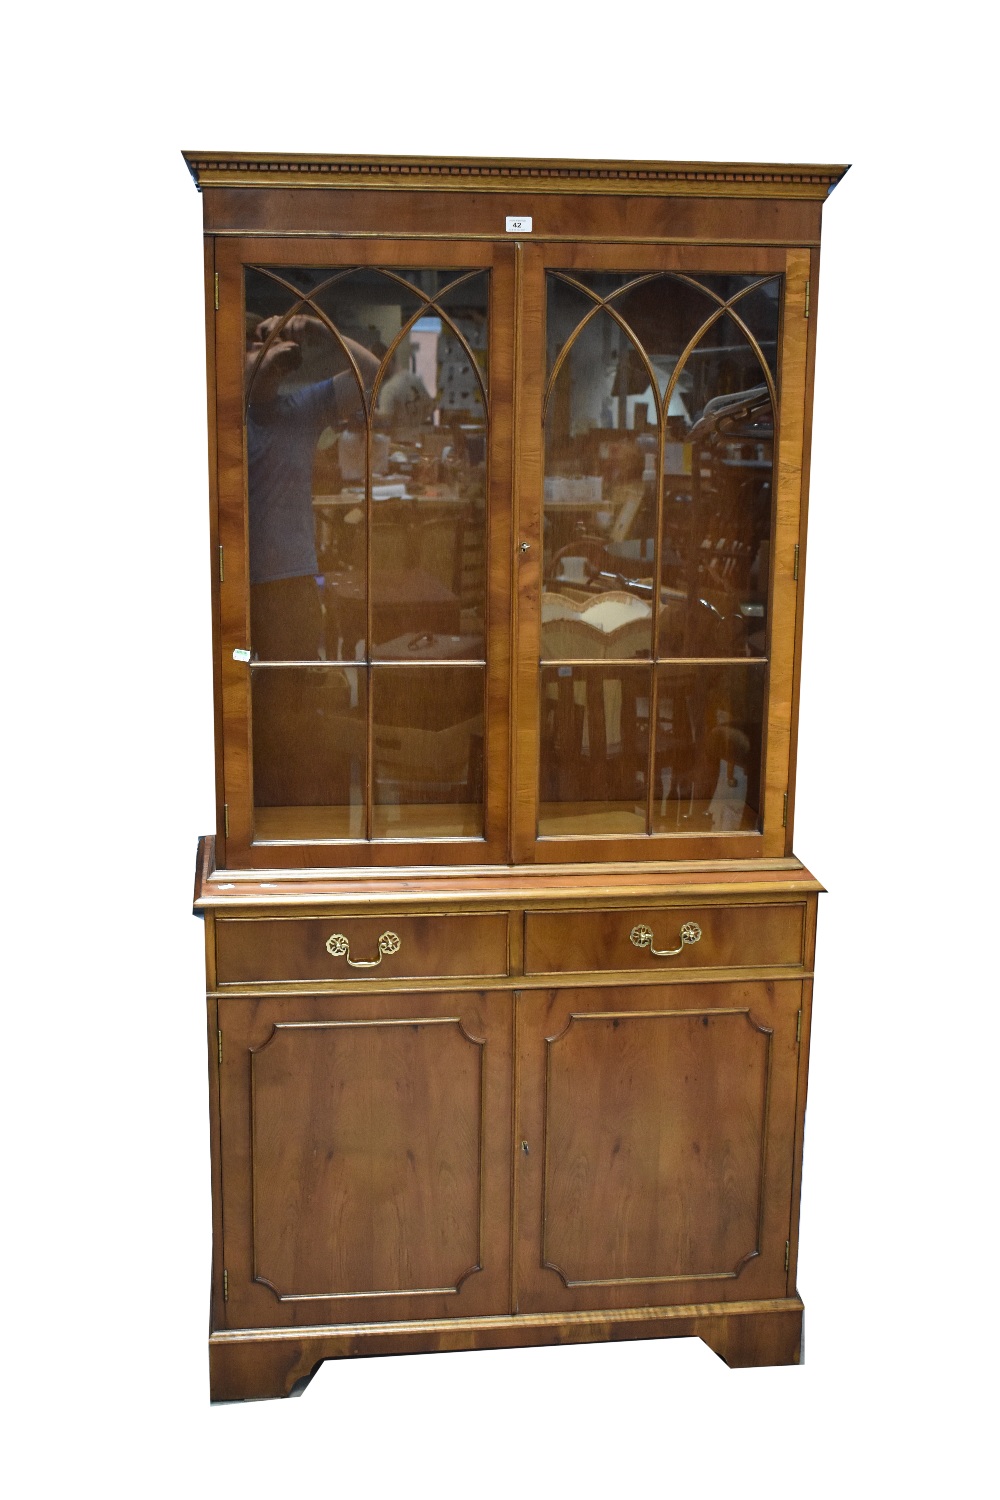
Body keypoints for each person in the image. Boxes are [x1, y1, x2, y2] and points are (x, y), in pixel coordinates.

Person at [246, 313, 380, 660]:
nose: (272, 357)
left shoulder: (300, 410)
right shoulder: (222, 416)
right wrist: (263, 357)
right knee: (240, 685)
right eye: (258, 347)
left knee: (295, 686)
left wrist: (319, 325)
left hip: (293, 583)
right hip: (237, 585)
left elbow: (371, 371)